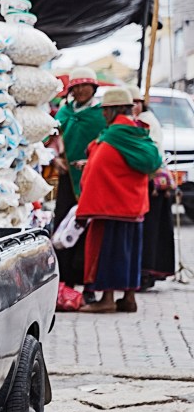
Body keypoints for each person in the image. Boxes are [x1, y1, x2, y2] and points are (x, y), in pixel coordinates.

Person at [75, 87, 162, 313]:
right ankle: (129, 298)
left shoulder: (115, 134)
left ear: (116, 110)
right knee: (130, 252)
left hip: (111, 205)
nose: (103, 115)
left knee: (108, 252)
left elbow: (102, 166)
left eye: (106, 111)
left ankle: (107, 299)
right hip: (133, 205)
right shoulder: (136, 132)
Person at [51, 67, 107, 293]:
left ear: (93, 88)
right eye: (77, 87)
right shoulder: (63, 114)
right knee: (64, 224)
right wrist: (56, 159)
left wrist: (92, 162)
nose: (81, 90)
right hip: (67, 179)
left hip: (93, 181)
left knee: (89, 229)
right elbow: (50, 138)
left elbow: (106, 144)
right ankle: (64, 282)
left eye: (86, 86)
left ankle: (88, 284)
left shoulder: (101, 115)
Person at [127, 84, 176, 289]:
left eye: (136, 103)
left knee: (148, 230)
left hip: (150, 183)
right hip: (144, 183)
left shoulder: (144, 122)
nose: (134, 107)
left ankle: (144, 273)